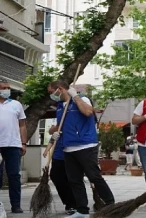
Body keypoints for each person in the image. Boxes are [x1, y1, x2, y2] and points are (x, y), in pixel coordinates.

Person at [47, 80, 115, 218]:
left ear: (59, 89)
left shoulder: (82, 99)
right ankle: (82, 210)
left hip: (85, 145)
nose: (51, 96)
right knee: (75, 180)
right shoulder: (60, 106)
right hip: (68, 147)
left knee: (94, 176)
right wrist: (54, 132)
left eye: (51, 92)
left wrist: (75, 96)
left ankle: (110, 204)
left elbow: (88, 112)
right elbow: (59, 125)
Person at [0, 78, 27, 214]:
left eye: (8, 88)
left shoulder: (16, 104)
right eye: (3, 88)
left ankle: (16, 205)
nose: (6, 90)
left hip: (13, 144)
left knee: (14, 176)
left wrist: (23, 143)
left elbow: (22, 125)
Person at [43, 126, 76, 215]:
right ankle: (67, 200)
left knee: (68, 181)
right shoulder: (59, 127)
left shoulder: (72, 129)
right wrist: (46, 150)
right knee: (55, 176)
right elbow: (51, 136)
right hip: (57, 157)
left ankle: (71, 204)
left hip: (69, 157)